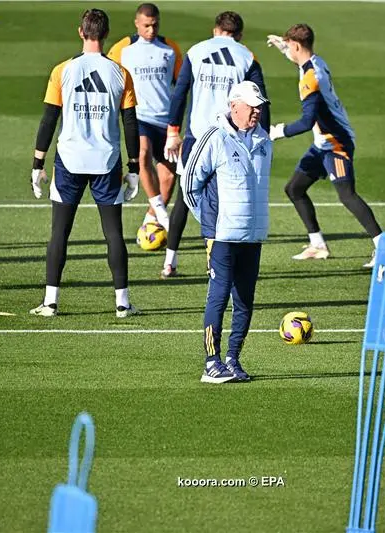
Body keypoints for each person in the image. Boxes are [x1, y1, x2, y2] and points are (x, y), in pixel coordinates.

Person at [29, 8, 142, 318]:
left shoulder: (62, 70)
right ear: (105, 35)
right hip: (107, 161)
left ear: (81, 32)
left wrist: (37, 163)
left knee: (59, 233)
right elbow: (130, 123)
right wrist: (134, 168)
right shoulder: (120, 73)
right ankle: (122, 303)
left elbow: (49, 119)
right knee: (114, 234)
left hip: (69, 160)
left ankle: (50, 302)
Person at [160, 11, 269, 279]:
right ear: (239, 34)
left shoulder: (197, 51)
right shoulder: (246, 56)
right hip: (231, 137)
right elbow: (261, 103)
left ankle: (170, 261)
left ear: (215, 30)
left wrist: (173, 132)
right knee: (228, 200)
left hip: (197, 136)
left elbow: (180, 93)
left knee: (184, 198)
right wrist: (262, 138)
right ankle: (216, 262)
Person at [267, 24, 382, 266]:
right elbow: (301, 59)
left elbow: (307, 121)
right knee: (294, 189)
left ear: (297, 46)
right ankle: (318, 244)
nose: (287, 50)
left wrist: (278, 132)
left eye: (289, 46)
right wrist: (282, 47)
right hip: (323, 143)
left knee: (347, 195)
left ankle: (383, 248)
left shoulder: (311, 78)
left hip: (336, 142)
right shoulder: (316, 62)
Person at [181, 81, 272, 383]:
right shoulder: (215, 137)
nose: (257, 110)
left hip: (252, 235)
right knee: (218, 297)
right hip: (221, 236)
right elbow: (189, 184)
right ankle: (211, 362)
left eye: (259, 105)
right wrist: (209, 221)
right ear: (234, 106)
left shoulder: (264, 141)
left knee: (245, 300)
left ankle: (233, 359)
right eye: (251, 105)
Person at [107, 3, 182, 232]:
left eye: (155, 25)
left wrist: (177, 125)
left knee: (169, 175)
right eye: (147, 25)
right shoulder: (123, 49)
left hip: (166, 121)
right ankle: (160, 209)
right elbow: (108, 78)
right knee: (142, 153)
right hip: (139, 117)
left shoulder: (170, 49)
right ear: (137, 23)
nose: (151, 30)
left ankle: (151, 218)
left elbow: (181, 86)